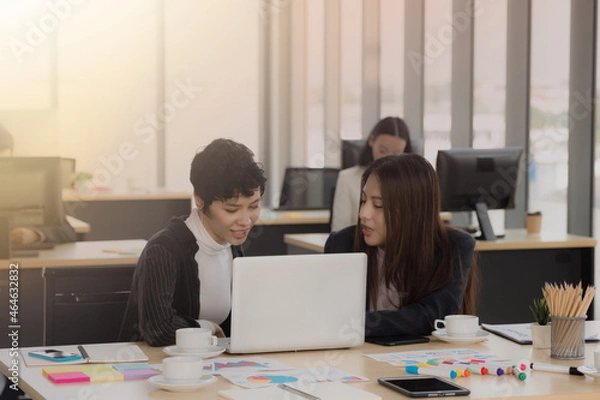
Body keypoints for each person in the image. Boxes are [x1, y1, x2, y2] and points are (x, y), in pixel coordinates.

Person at [119, 138, 267, 347]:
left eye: (253, 206)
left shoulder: (232, 247)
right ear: (200, 199)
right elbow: (158, 329)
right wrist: (206, 328)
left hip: (208, 366)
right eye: (231, 210)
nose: (245, 221)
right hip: (157, 367)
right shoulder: (163, 249)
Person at [324, 154, 477, 337]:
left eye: (378, 205)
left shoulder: (453, 247)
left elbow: (433, 317)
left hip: (423, 359)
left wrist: (355, 325)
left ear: (412, 211)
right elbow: (328, 314)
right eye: (364, 201)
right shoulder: (342, 243)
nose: (363, 213)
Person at [330, 116, 411, 232]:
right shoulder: (347, 178)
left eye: (396, 154)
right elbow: (339, 230)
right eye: (383, 151)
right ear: (371, 140)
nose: (388, 159)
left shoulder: (409, 183)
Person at [0, 125, 77, 246]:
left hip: (21, 260)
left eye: (4, 162)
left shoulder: (32, 189)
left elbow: (67, 232)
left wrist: (36, 235)